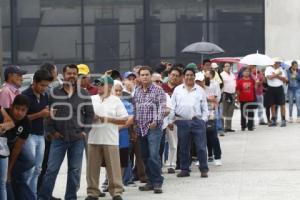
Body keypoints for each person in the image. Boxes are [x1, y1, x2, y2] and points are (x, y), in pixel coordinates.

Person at [39, 64, 94, 200]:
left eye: (74, 74)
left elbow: (89, 114)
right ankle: (44, 197)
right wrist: (51, 132)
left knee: (74, 171)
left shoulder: (84, 93)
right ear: (63, 75)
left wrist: (85, 131)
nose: (72, 76)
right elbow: (48, 114)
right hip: (58, 138)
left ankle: (71, 197)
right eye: (69, 73)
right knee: (51, 170)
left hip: (77, 139)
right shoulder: (53, 93)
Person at [86, 76, 128, 200]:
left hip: (110, 139)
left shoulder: (116, 100)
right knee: (92, 169)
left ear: (110, 87)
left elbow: (124, 119)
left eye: (101, 84)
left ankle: (116, 192)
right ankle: (92, 192)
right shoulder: (91, 99)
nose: (98, 87)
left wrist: (107, 119)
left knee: (114, 168)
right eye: (97, 84)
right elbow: (83, 115)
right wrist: (91, 118)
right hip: (93, 138)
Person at [169, 68, 209, 178]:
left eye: (191, 75)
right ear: (183, 76)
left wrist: (204, 120)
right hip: (182, 121)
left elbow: (205, 107)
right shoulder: (177, 90)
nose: (189, 77)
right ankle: (184, 169)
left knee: (201, 147)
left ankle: (204, 169)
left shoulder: (200, 90)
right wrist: (171, 120)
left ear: (194, 77)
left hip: (197, 122)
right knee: (183, 147)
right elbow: (172, 106)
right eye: (187, 75)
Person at [133, 66, 166, 194]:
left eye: (147, 74)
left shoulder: (158, 90)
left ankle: (157, 182)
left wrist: (156, 121)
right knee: (145, 156)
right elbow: (135, 108)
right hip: (140, 127)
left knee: (153, 155)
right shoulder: (137, 90)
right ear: (139, 77)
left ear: (151, 76)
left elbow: (162, 108)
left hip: (154, 128)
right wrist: (134, 123)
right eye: (142, 75)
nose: (145, 77)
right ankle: (150, 181)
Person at [22, 69, 53, 199]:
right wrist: (40, 114)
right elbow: (20, 119)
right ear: (34, 82)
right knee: (29, 170)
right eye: (42, 85)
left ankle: (33, 196)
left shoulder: (45, 96)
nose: (44, 88)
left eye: (46, 86)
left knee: (37, 170)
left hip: (41, 135)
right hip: (28, 136)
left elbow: (44, 113)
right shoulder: (25, 96)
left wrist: (49, 114)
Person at [0, 95, 34, 200]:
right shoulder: (2, 115)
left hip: (11, 149)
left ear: (27, 111)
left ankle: (10, 177)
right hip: (2, 150)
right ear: (11, 106)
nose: (19, 113)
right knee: (5, 182)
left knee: (30, 160)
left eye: (23, 110)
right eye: (17, 109)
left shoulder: (26, 122)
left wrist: (9, 171)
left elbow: (17, 148)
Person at [112, 80, 134, 184]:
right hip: (109, 138)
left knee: (123, 160)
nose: (118, 93)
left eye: (120, 91)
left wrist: (116, 128)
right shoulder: (105, 103)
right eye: (115, 90)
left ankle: (121, 181)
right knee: (109, 160)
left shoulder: (127, 104)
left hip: (123, 137)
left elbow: (130, 120)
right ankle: (110, 181)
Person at [201, 70, 222, 165]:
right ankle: (209, 155)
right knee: (204, 135)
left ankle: (217, 156)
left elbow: (216, 98)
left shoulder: (215, 84)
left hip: (211, 112)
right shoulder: (199, 86)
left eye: (208, 74)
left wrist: (209, 99)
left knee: (212, 134)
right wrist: (209, 98)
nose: (206, 75)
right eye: (205, 74)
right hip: (200, 114)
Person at [265, 58, 288, 127]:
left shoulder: (281, 69)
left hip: (279, 88)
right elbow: (269, 77)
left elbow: (284, 80)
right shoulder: (268, 69)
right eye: (278, 63)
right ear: (274, 63)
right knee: (273, 104)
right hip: (271, 88)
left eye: (279, 63)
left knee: (282, 104)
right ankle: (274, 119)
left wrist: (276, 75)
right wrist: (277, 74)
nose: (279, 64)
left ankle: (283, 119)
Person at [220, 63, 236, 132]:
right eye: (227, 66)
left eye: (229, 66)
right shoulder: (221, 75)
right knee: (224, 111)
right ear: (223, 68)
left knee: (230, 111)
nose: (228, 67)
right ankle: (222, 127)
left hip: (232, 94)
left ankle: (228, 127)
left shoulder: (232, 74)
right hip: (225, 94)